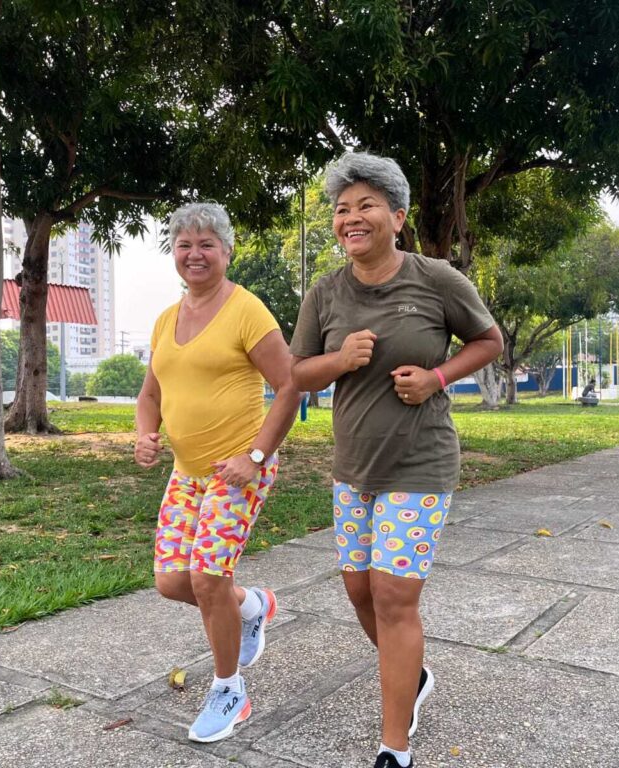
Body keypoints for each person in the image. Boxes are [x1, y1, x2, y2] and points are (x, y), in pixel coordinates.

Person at [289, 152, 504, 768]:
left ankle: (394, 745)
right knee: (359, 591)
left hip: (419, 463)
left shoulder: (436, 279)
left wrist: (438, 377)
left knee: (393, 597)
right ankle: (413, 675)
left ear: (399, 217)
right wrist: (340, 360)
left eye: (367, 206)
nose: (351, 218)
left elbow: (488, 340)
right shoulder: (325, 293)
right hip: (354, 468)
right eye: (342, 209)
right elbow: (298, 374)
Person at [134, 202, 301, 743]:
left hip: (238, 471)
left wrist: (255, 458)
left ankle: (230, 690)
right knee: (172, 581)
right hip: (187, 473)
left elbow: (291, 386)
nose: (195, 253)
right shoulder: (166, 319)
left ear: (227, 251)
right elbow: (150, 394)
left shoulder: (247, 310)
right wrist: (145, 433)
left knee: (208, 580)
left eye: (206, 244)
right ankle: (253, 606)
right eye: (184, 244)